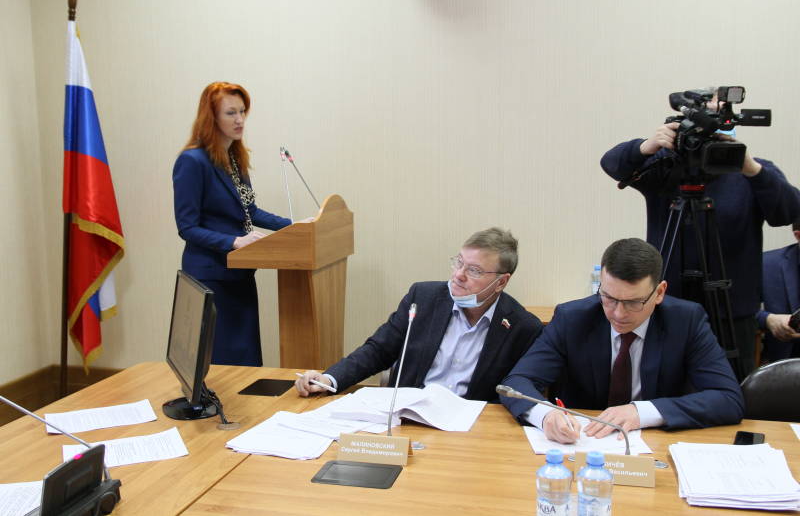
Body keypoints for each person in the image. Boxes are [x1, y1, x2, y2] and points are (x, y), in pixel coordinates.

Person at [601, 96, 800, 379]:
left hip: (732, 313)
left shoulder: (751, 172)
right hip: (667, 306)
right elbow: (612, 164)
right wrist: (647, 145)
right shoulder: (666, 168)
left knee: (731, 389)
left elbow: (789, 211)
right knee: (665, 384)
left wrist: (751, 168)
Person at [500, 238, 743, 444]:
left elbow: (728, 399)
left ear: (659, 292)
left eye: (633, 302)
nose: (618, 313)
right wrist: (545, 416)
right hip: (581, 445)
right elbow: (517, 382)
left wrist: (642, 412)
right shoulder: (572, 319)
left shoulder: (686, 321)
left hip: (657, 447)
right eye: (608, 297)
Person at [295, 227, 544, 402]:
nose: (459, 275)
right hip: (408, 417)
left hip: (470, 431)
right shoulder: (424, 297)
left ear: (501, 282)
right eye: (459, 262)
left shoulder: (522, 327)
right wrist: (329, 379)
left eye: (474, 270)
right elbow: (378, 350)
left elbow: (518, 390)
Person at [173, 82, 291, 366]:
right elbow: (187, 227)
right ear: (211, 118)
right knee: (221, 364)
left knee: (246, 360)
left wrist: (295, 226)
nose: (240, 120)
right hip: (211, 277)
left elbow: (250, 212)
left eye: (242, 112)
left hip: (240, 275)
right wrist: (234, 241)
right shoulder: (192, 161)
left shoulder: (234, 158)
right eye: (231, 113)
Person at [757, 219, 800, 362]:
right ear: (798, 236)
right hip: (784, 364)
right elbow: (738, 309)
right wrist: (768, 319)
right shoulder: (766, 265)